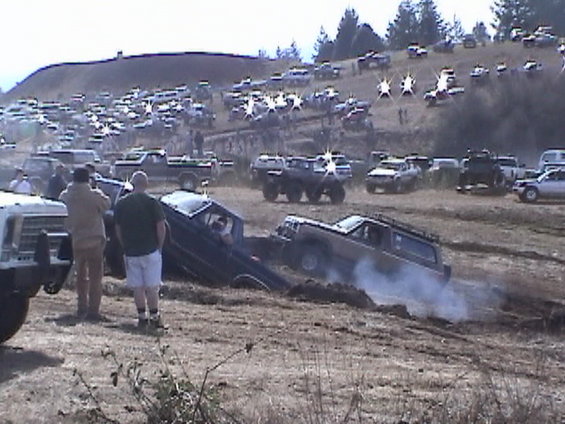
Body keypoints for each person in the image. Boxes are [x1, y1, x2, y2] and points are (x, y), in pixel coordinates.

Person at [114, 171, 166, 328]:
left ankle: (142, 317)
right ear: (146, 184)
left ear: (132, 183)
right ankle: (155, 317)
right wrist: (160, 246)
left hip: (131, 251)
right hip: (150, 249)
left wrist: (124, 244)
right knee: (152, 287)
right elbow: (161, 226)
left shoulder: (121, 203)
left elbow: (118, 227)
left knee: (138, 287)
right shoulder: (152, 202)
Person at [59, 167, 111, 320]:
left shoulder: (65, 195)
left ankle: (81, 306)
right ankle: (93, 310)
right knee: (95, 277)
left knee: (80, 276)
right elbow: (107, 204)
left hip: (75, 240)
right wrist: (96, 188)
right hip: (94, 240)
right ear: (88, 179)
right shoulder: (94, 195)